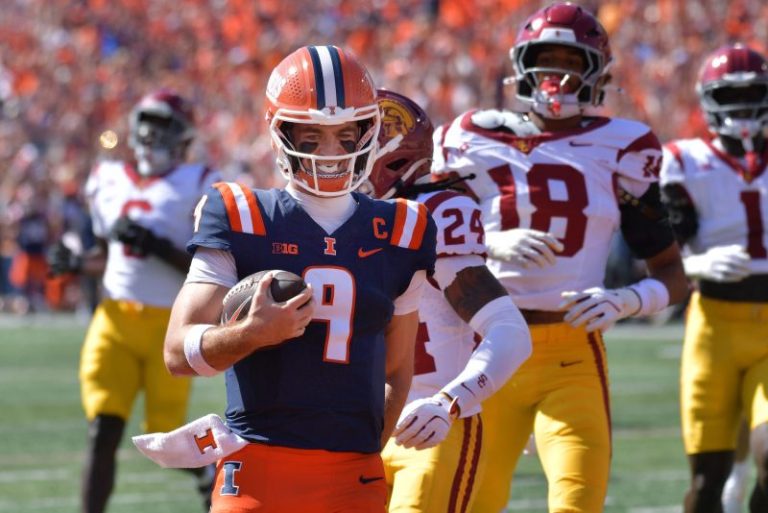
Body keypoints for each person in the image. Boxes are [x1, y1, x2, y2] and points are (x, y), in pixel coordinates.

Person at [431, 3, 689, 512]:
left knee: (577, 502)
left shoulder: (625, 145)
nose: (558, 77)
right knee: (472, 503)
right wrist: (485, 240)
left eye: (572, 63)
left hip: (572, 351)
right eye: (546, 62)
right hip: (484, 346)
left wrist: (628, 300)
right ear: (521, 66)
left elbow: (673, 273)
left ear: (597, 73)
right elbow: (418, 234)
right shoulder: (470, 138)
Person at [162, 45, 437, 513]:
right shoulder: (240, 213)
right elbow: (177, 352)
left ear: (367, 132)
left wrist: (366, 453)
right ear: (281, 131)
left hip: (355, 473)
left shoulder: (403, 228)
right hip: (255, 467)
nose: (330, 151)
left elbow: (396, 370)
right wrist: (249, 335)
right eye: (311, 135)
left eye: (345, 133)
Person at [47, 89, 220, 513]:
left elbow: (210, 267)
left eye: (164, 126)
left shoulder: (199, 183)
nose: (152, 134)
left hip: (169, 327)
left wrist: (156, 245)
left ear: (183, 136)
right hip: (114, 321)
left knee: (163, 436)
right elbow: (107, 257)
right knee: (102, 429)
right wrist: (76, 261)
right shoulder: (109, 178)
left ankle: (204, 472)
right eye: (149, 123)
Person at [364, 89, 532, 513]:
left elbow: (509, 331)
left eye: (348, 147)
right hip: (351, 426)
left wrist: (449, 400)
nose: (332, 160)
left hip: (428, 426)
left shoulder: (436, 214)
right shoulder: (326, 220)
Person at [659, 43, 768, 513]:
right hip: (713, 327)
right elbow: (662, 251)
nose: (743, 110)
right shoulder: (684, 160)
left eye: (753, 96)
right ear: (709, 101)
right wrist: (700, 264)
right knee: (706, 485)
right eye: (731, 97)